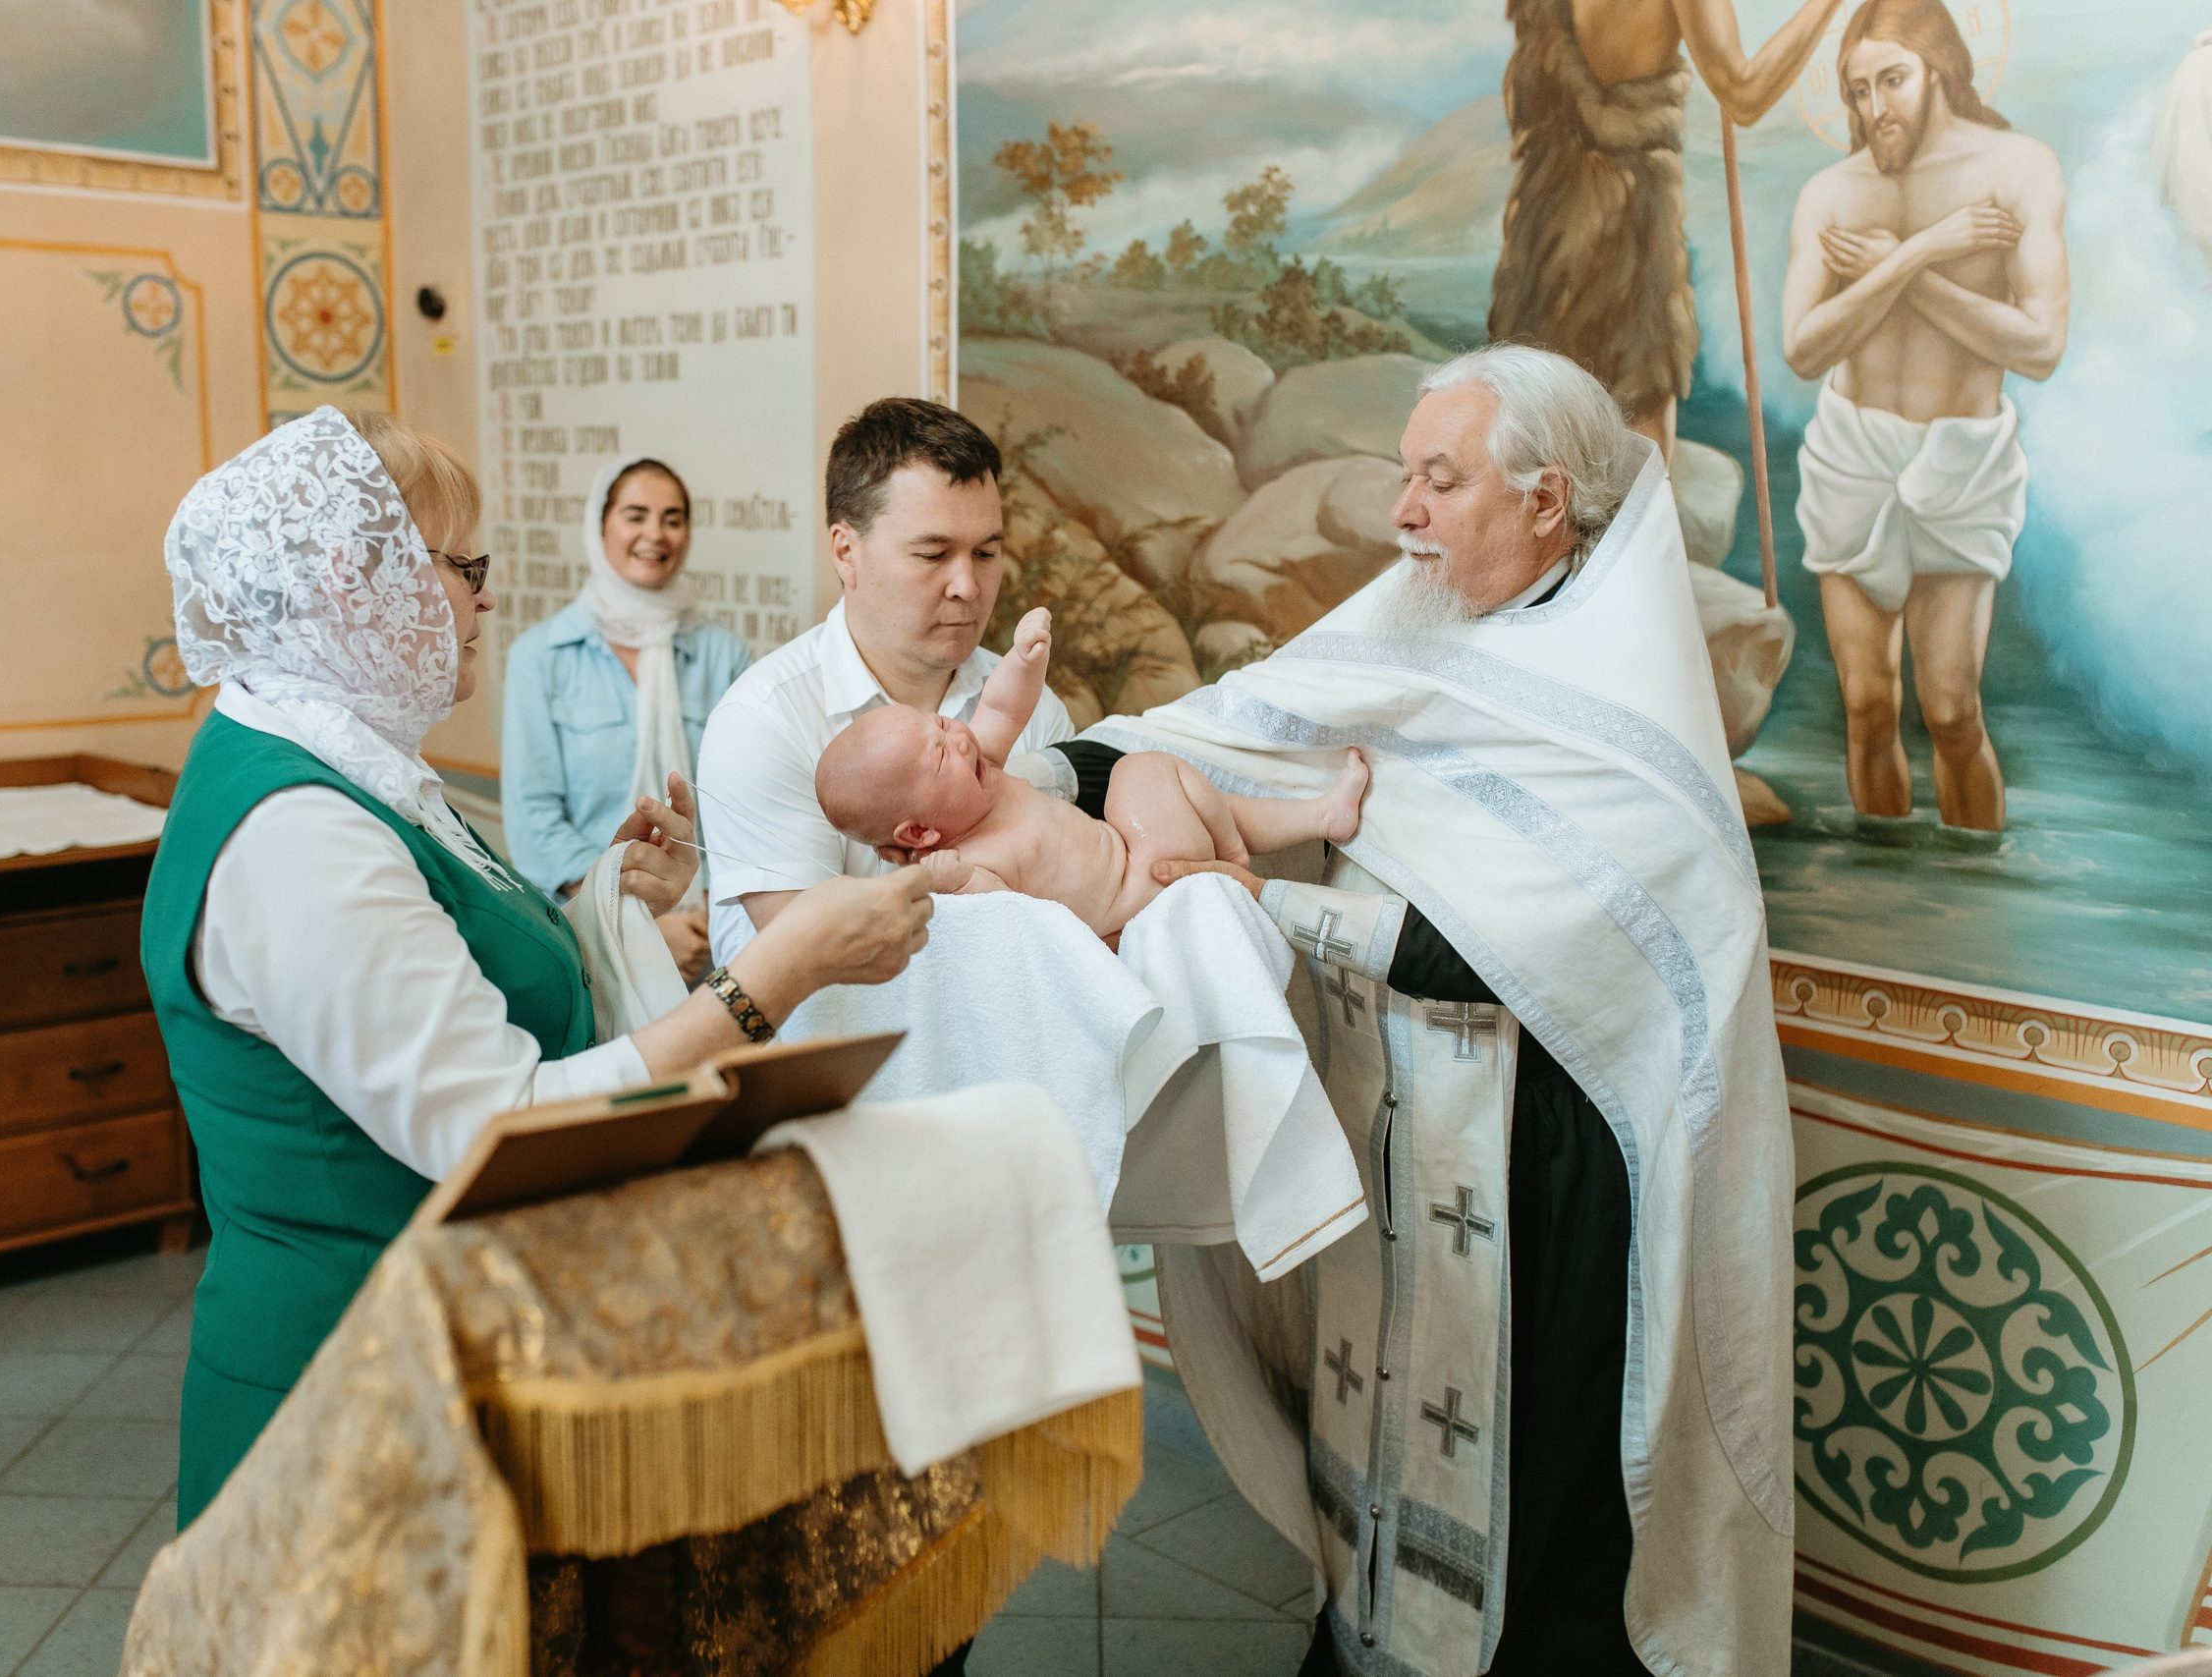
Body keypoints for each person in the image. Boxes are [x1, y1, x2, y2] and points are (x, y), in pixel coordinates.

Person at [1083, 347, 1794, 1677]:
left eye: (1440, 479)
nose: (1402, 510)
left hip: (1545, 1177)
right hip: (1400, 1138)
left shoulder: (1623, 707)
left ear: (1545, 502)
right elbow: (1229, 728)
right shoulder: (1411, 625)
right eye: (1407, 473)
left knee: (1531, 1528)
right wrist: (1086, 778)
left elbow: (1467, 952)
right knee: (1378, 1461)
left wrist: (1224, 885)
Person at [144, 407, 935, 1528]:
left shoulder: (347, 759)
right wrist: (779, 974)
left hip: (449, 1343)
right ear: (350, 580)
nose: (485, 596)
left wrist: (601, 899)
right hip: (356, 1392)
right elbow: (497, 1124)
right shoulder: (296, 833)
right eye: (462, 566)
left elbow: (451, 969)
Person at [1783, 0, 2068, 833]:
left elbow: (2042, 346)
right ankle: (1886, 903)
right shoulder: (1831, 192)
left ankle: (1969, 897)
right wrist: (1917, 249)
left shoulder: (2018, 170)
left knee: (1950, 710)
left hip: (1961, 460)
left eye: (1891, 81)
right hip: (1854, 456)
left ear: (1940, 70)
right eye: (1856, 89)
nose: (1874, 109)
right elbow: (1804, 350)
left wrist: (1911, 274)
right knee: (1868, 706)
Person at [696, 398, 1078, 969]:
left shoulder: (1033, 706)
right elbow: (812, 960)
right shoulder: (765, 721)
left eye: (986, 553)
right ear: (846, 551)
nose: (968, 587)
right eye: (933, 553)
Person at [815, 606, 1370, 939]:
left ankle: (1319, 815)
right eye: (940, 755)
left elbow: (1003, 707)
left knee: (1157, 784)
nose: (958, 738)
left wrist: (1023, 660)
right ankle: (1233, 856)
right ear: (920, 834)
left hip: (1140, 856)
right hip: (1141, 890)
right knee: (1139, 775)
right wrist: (946, 880)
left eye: (940, 723)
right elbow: (1007, 925)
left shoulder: (979, 766)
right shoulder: (974, 864)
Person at [1491, 0, 1840, 454]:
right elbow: (1744, 93)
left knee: (1541, 440)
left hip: (1544, 226)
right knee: (1640, 457)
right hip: (1627, 226)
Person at [503, 454, 750, 978]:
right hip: (589, 937)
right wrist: (634, 918)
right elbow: (535, 823)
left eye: (673, 518)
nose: (654, 535)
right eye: (635, 515)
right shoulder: (543, 656)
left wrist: (708, 910)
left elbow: (744, 804)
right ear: (600, 525)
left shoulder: (723, 655)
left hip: (711, 936)